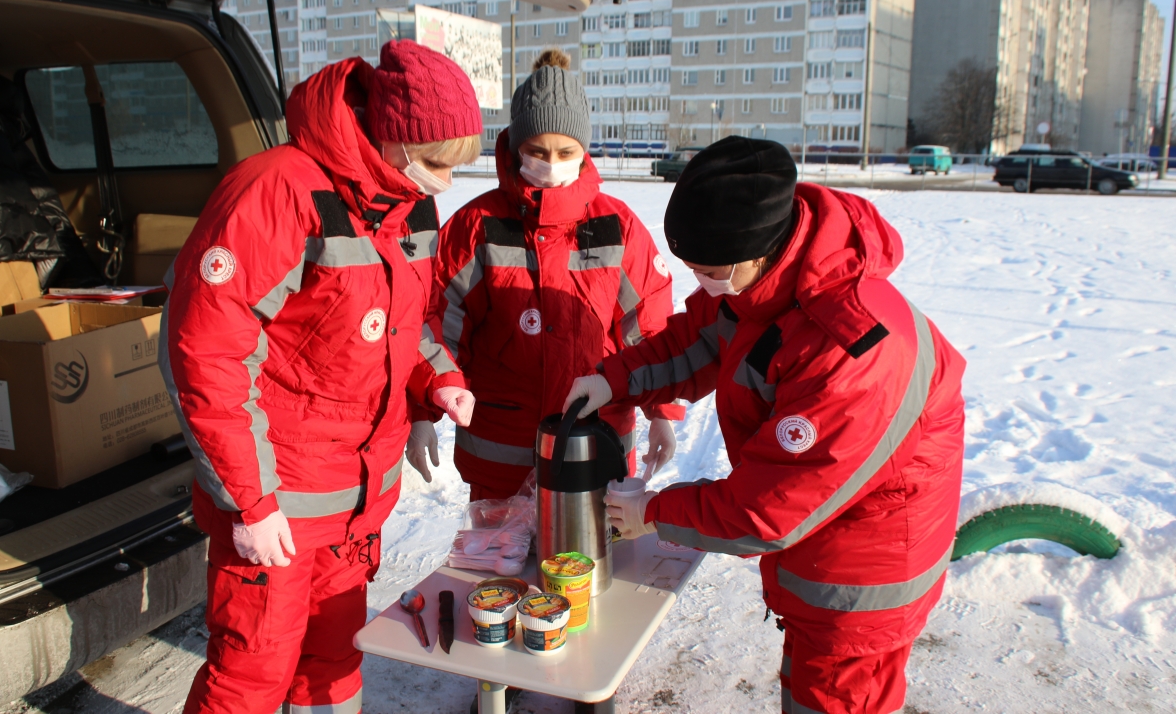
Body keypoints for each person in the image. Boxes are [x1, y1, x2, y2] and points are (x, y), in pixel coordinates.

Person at [565, 137, 965, 714]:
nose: (701, 283)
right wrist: (615, 379)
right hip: (825, 548)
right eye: (691, 269)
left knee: (833, 698)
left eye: (710, 270)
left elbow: (772, 508)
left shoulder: (849, 350)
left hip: (863, 576)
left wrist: (654, 513)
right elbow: (700, 337)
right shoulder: (763, 279)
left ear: (759, 249)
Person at [162, 41, 481, 714]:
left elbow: (406, 322)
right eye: (435, 164)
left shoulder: (407, 202)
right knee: (251, 676)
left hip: (356, 501)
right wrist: (251, 501)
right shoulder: (275, 191)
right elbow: (209, 353)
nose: (445, 185)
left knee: (333, 665)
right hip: (282, 495)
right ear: (389, 138)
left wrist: (437, 381)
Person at [419, 48, 683, 500]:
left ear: (584, 151)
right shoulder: (478, 227)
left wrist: (662, 410)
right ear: (515, 145)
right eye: (537, 151)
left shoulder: (615, 226)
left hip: (596, 446)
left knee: (590, 567)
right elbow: (431, 318)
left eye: (565, 152)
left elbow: (649, 325)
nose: (551, 163)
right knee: (503, 570)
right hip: (500, 452)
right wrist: (423, 404)